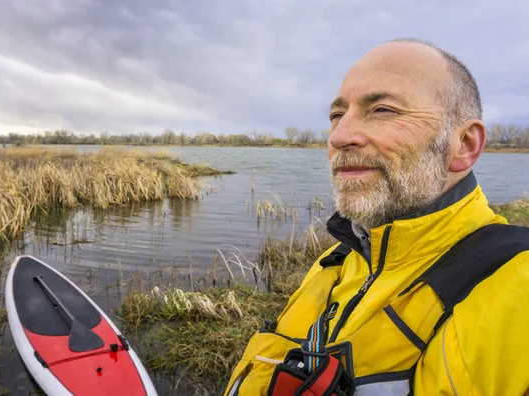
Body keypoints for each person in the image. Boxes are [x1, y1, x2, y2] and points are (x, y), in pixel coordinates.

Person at [225, 39, 529, 395]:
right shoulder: (338, 259)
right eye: (337, 115)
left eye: (383, 110)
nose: (339, 136)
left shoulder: (517, 289)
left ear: (463, 145)